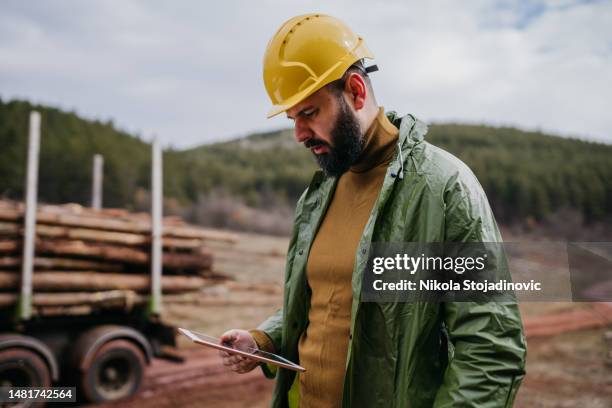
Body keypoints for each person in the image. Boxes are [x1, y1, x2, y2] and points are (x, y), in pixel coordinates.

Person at [219, 13, 526, 408]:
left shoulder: (445, 188)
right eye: (293, 118)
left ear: (356, 91)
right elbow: (327, 299)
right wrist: (264, 338)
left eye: (309, 113)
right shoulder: (316, 196)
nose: (299, 135)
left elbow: (491, 348)